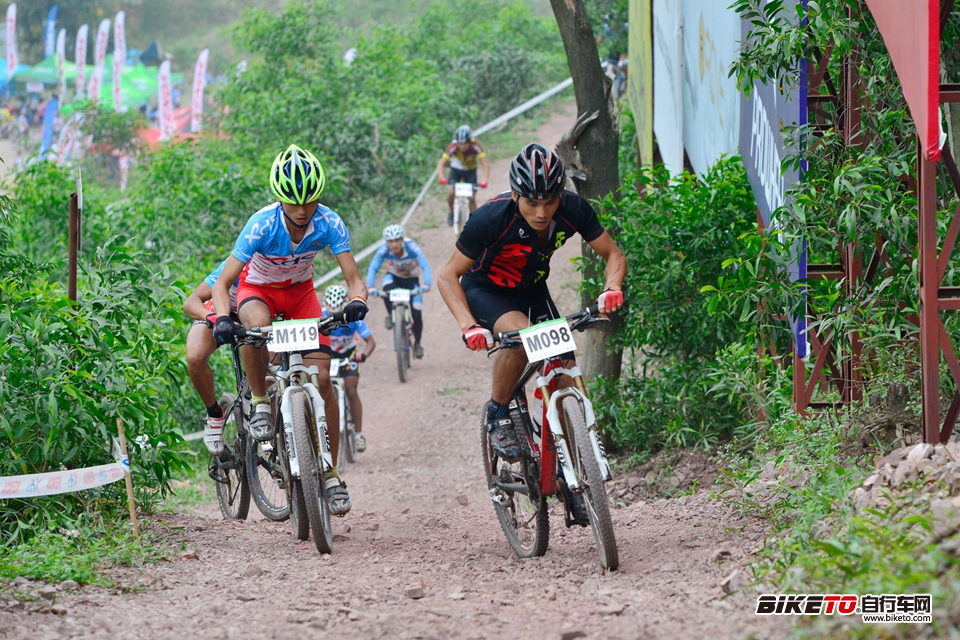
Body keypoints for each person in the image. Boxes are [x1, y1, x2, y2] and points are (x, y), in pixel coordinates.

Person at [437, 143, 626, 464]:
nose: (542, 213)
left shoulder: (573, 208)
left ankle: (577, 476)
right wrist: (469, 326)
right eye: (532, 203)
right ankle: (498, 413)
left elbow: (613, 254)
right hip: (486, 289)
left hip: (533, 289)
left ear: (560, 196)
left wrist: (612, 287)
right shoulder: (489, 218)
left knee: (566, 374)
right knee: (525, 339)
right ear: (515, 194)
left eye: (550, 202)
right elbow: (447, 276)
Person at [211, 144, 369, 516]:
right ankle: (262, 402)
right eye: (293, 203)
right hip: (259, 292)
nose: (301, 211)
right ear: (279, 198)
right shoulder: (261, 224)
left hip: (300, 296)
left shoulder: (329, 222)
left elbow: (354, 279)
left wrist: (357, 300)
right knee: (255, 329)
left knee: (325, 381)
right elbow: (222, 284)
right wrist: (221, 317)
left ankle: (329, 472)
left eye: (309, 202)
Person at [182, 260, 238, 457]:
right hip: (219, 311)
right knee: (195, 358)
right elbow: (190, 301)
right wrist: (211, 317)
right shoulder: (239, 259)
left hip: (256, 311)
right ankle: (214, 414)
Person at [323, 284, 376, 453]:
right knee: (321, 392)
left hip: (349, 356)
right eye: (331, 315)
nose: (335, 318)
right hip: (329, 357)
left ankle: (359, 434)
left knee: (351, 389)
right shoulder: (321, 316)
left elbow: (371, 342)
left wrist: (363, 355)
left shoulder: (353, 318)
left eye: (337, 314)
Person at [366, 224, 432, 359]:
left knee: (417, 312)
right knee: (385, 288)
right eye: (390, 241)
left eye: (397, 240)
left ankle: (418, 344)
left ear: (403, 240)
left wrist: (427, 284)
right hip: (394, 277)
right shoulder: (384, 249)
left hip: (411, 279)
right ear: (386, 242)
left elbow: (425, 265)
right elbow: (374, 267)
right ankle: (391, 314)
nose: (394, 244)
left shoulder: (411, 247)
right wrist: (371, 287)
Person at [436, 125, 490, 226]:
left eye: (465, 143)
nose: (463, 146)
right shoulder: (453, 146)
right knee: (451, 192)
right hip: (456, 170)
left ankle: (476, 220)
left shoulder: (476, 146)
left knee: (472, 198)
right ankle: (451, 211)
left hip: (470, 171)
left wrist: (485, 180)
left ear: (470, 141)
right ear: (457, 142)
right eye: (460, 144)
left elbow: (485, 164)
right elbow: (441, 163)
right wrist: (441, 177)